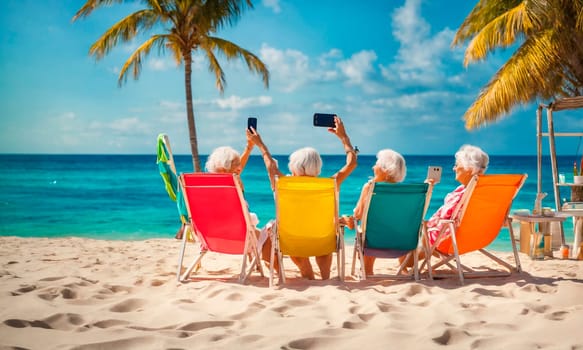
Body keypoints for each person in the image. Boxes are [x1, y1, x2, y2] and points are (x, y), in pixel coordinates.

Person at [248, 116, 357, 280]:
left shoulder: (282, 183)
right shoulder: (330, 183)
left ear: (294, 166)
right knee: (324, 237)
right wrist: (344, 137)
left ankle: (308, 274)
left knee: (279, 231)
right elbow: (352, 163)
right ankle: (325, 278)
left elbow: (270, 164)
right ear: (318, 166)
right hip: (322, 241)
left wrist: (260, 144)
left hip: (293, 243)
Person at [400, 144, 489, 267]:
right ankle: (410, 259)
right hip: (479, 238)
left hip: (447, 240)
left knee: (409, 245)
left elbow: (443, 221)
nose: (454, 168)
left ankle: (407, 262)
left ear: (469, 168)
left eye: (457, 165)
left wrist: (427, 190)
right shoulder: (486, 190)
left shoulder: (461, 195)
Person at [339, 149, 407, 276]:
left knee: (367, 232)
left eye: (377, 164)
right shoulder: (406, 192)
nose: (373, 167)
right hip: (402, 242)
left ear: (386, 170)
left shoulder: (370, 187)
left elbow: (358, 216)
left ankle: (368, 272)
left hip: (373, 243)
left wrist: (347, 219)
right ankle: (403, 268)